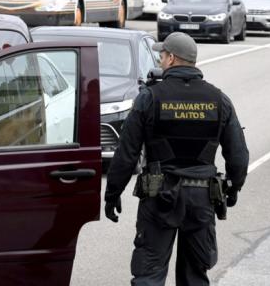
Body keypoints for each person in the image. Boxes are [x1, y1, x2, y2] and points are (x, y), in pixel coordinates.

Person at [104, 32, 249, 286]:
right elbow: (238, 156)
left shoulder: (149, 98)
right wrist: (234, 187)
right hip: (202, 200)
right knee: (195, 277)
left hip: (160, 198)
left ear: (171, 58)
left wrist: (112, 194)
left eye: (161, 56)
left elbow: (126, 153)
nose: (159, 61)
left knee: (149, 275)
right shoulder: (218, 99)